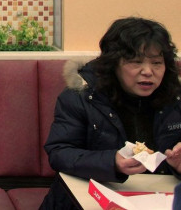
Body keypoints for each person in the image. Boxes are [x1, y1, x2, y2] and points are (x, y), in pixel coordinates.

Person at [40, 17, 181, 209]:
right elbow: (60, 153)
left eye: (157, 63)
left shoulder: (176, 99)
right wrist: (111, 162)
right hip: (88, 199)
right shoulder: (82, 96)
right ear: (114, 64)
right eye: (135, 62)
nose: (148, 71)